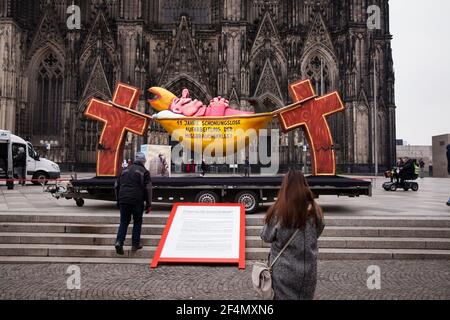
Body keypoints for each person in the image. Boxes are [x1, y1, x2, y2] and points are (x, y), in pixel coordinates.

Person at [261, 170, 324, 300]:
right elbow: (318, 231)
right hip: (308, 271)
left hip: (283, 271)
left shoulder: (279, 211)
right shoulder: (315, 210)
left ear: (285, 186)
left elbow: (266, 237)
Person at [114, 152, 152, 255]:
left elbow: (116, 185)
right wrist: (149, 204)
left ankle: (119, 242)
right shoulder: (144, 171)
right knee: (137, 221)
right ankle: (135, 244)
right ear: (143, 161)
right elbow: (148, 188)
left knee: (124, 221)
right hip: (136, 200)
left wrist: (118, 200)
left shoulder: (124, 170)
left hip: (123, 199)